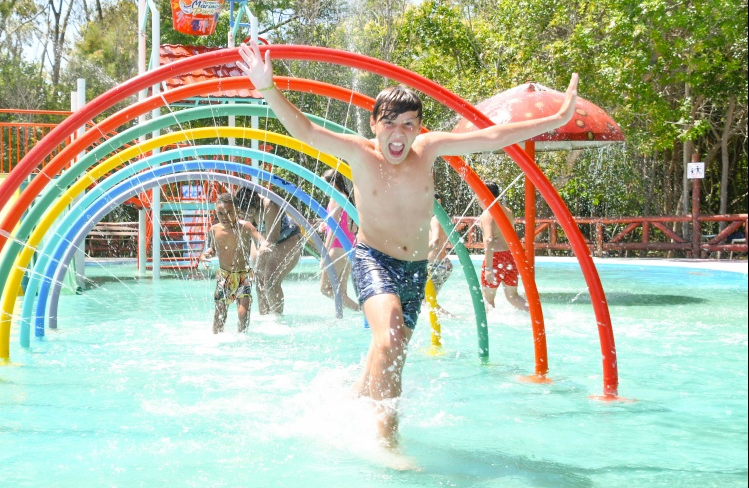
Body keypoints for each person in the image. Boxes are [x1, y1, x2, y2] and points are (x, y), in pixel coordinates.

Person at [237, 40, 579, 445]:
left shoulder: (428, 150)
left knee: (390, 350)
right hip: (374, 261)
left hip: (415, 270)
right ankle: (388, 443)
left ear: (419, 128)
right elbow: (306, 130)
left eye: (408, 125)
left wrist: (556, 118)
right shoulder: (359, 153)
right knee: (391, 336)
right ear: (374, 125)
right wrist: (267, 87)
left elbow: (492, 136)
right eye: (389, 123)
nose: (398, 134)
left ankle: (350, 403)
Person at [198, 193, 268, 333]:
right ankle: (216, 337)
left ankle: (242, 337)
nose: (225, 217)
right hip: (224, 277)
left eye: (229, 213)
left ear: (238, 211)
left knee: (243, 313)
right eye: (220, 213)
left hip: (243, 276)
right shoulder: (214, 229)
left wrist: (264, 245)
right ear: (216, 212)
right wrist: (205, 255)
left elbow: (259, 238)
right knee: (220, 314)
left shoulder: (245, 226)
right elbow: (213, 249)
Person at [233, 186, 304, 316]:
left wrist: (261, 249)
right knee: (259, 279)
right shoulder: (244, 206)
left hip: (287, 238)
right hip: (263, 240)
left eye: (249, 210)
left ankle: (277, 318)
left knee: (271, 280)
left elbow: (272, 237)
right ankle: (264, 317)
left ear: (254, 199)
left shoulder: (269, 203)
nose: (247, 214)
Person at [479, 182, 529, 312]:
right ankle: (535, 315)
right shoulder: (507, 211)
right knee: (513, 296)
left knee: (488, 299)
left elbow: (489, 239)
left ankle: (489, 323)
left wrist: (488, 267)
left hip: (495, 257)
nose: (476, 196)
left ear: (484, 194)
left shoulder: (488, 213)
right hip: (510, 256)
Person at [319, 169, 360, 311]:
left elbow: (334, 228)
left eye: (323, 184)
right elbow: (352, 228)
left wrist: (324, 254)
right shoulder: (346, 197)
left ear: (332, 183)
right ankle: (352, 313)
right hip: (349, 248)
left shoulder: (334, 198)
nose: (321, 187)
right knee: (341, 292)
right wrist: (326, 224)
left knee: (325, 289)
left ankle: (361, 310)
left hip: (336, 249)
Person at [426, 193, 454, 317]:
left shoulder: (435, 219)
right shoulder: (442, 218)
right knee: (427, 301)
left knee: (427, 301)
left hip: (436, 265)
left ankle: (453, 318)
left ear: (438, 201)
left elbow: (436, 240)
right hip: (442, 264)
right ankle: (449, 318)